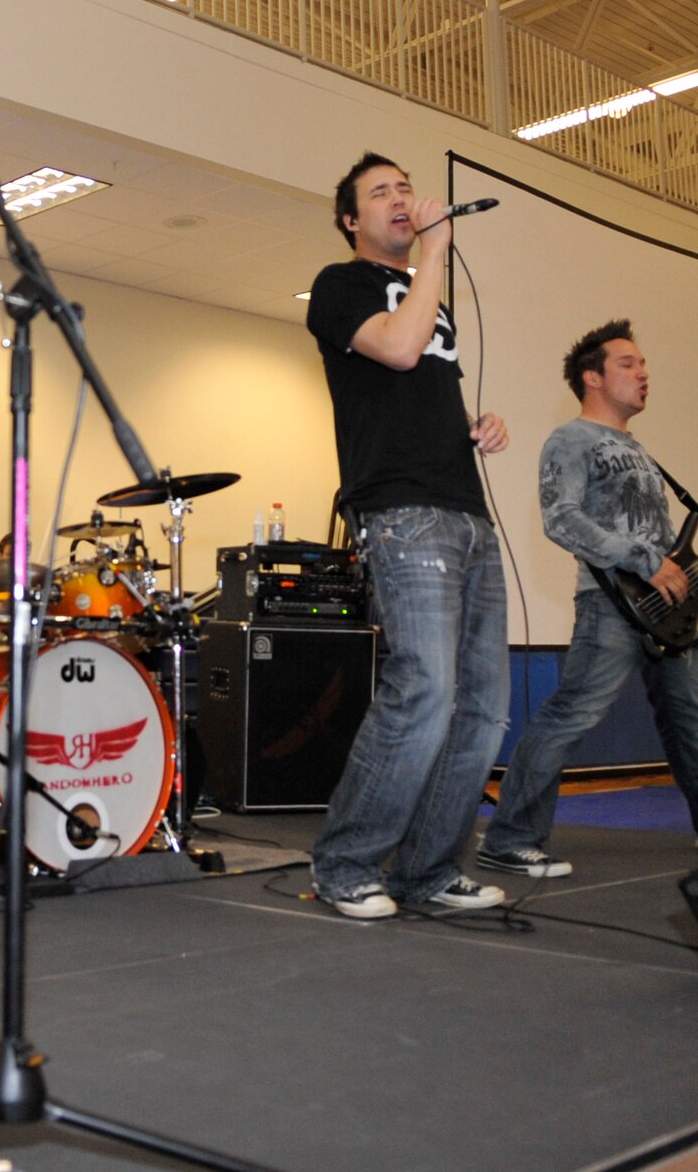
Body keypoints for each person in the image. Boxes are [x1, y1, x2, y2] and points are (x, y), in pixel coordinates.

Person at [304, 152, 511, 921]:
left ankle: (428, 870)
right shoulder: (341, 286)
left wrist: (475, 427)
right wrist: (433, 251)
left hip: (466, 510)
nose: (401, 199)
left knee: (483, 706)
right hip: (401, 513)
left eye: (404, 187)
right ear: (351, 220)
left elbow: (420, 386)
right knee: (424, 687)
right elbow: (394, 349)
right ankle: (347, 862)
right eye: (380, 193)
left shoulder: (434, 303)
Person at [476, 321, 698, 876]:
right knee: (568, 717)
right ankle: (508, 839)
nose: (643, 372)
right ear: (592, 377)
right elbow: (561, 519)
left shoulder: (641, 453)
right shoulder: (571, 439)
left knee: (688, 729)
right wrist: (649, 562)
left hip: (669, 615)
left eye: (643, 363)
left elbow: (662, 546)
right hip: (610, 606)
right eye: (628, 363)